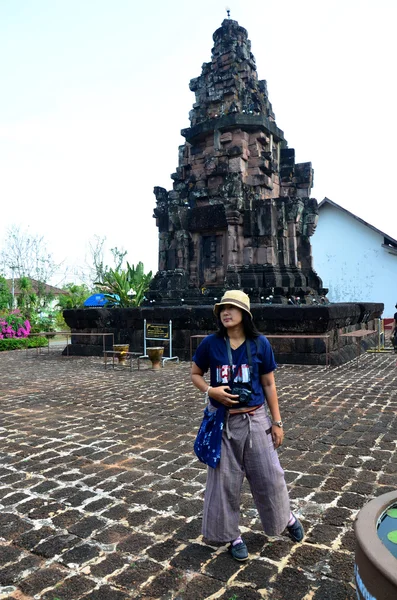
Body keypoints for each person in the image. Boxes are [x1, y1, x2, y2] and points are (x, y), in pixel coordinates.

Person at [191, 290, 304, 561]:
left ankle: (284, 517)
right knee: (224, 482)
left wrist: (277, 422)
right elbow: (195, 374)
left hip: (256, 418)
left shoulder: (260, 344)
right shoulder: (211, 344)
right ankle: (231, 535)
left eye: (232, 308)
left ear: (245, 314)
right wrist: (210, 391)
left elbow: (268, 383)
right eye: (223, 309)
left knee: (269, 475)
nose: (226, 312)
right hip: (222, 422)